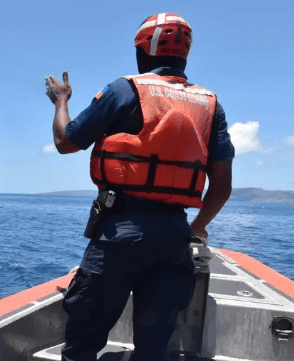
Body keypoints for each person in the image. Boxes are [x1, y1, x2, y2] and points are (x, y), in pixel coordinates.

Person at [47, 13, 234, 361]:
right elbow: (221, 187)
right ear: (185, 55)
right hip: (174, 237)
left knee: (83, 342)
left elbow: (65, 141)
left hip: (120, 233)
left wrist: (61, 99)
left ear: (142, 51)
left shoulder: (123, 90)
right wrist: (196, 228)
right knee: (153, 349)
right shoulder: (211, 106)